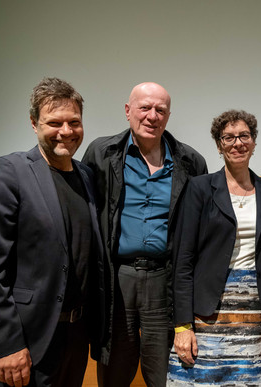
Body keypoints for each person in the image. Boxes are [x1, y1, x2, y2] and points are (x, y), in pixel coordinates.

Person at [0, 77, 106, 387]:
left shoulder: (87, 176)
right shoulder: (8, 174)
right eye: (54, 122)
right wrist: (8, 344)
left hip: (74, 338)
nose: (65, 131)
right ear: (33, 123)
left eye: (74, 122)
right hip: (25, 340)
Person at [82, 82, 207, 387]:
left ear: (168, 115)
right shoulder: (101, 153)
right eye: (144, 108)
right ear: (128, 111)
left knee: (164, 375)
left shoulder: (191, 162)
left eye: (160, 110)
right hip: (117, 279)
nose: (152, 116)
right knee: (114, 372)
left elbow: (199, 230)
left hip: (163, 281)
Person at [167, 109, 261, 386]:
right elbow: (183, 260)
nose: (238, 143)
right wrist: (183, 325)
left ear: (254, 141)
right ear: (219, 145)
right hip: (207, 312)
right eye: (229, 138)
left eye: (244, 136)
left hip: (258, 313)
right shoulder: (199, 188)